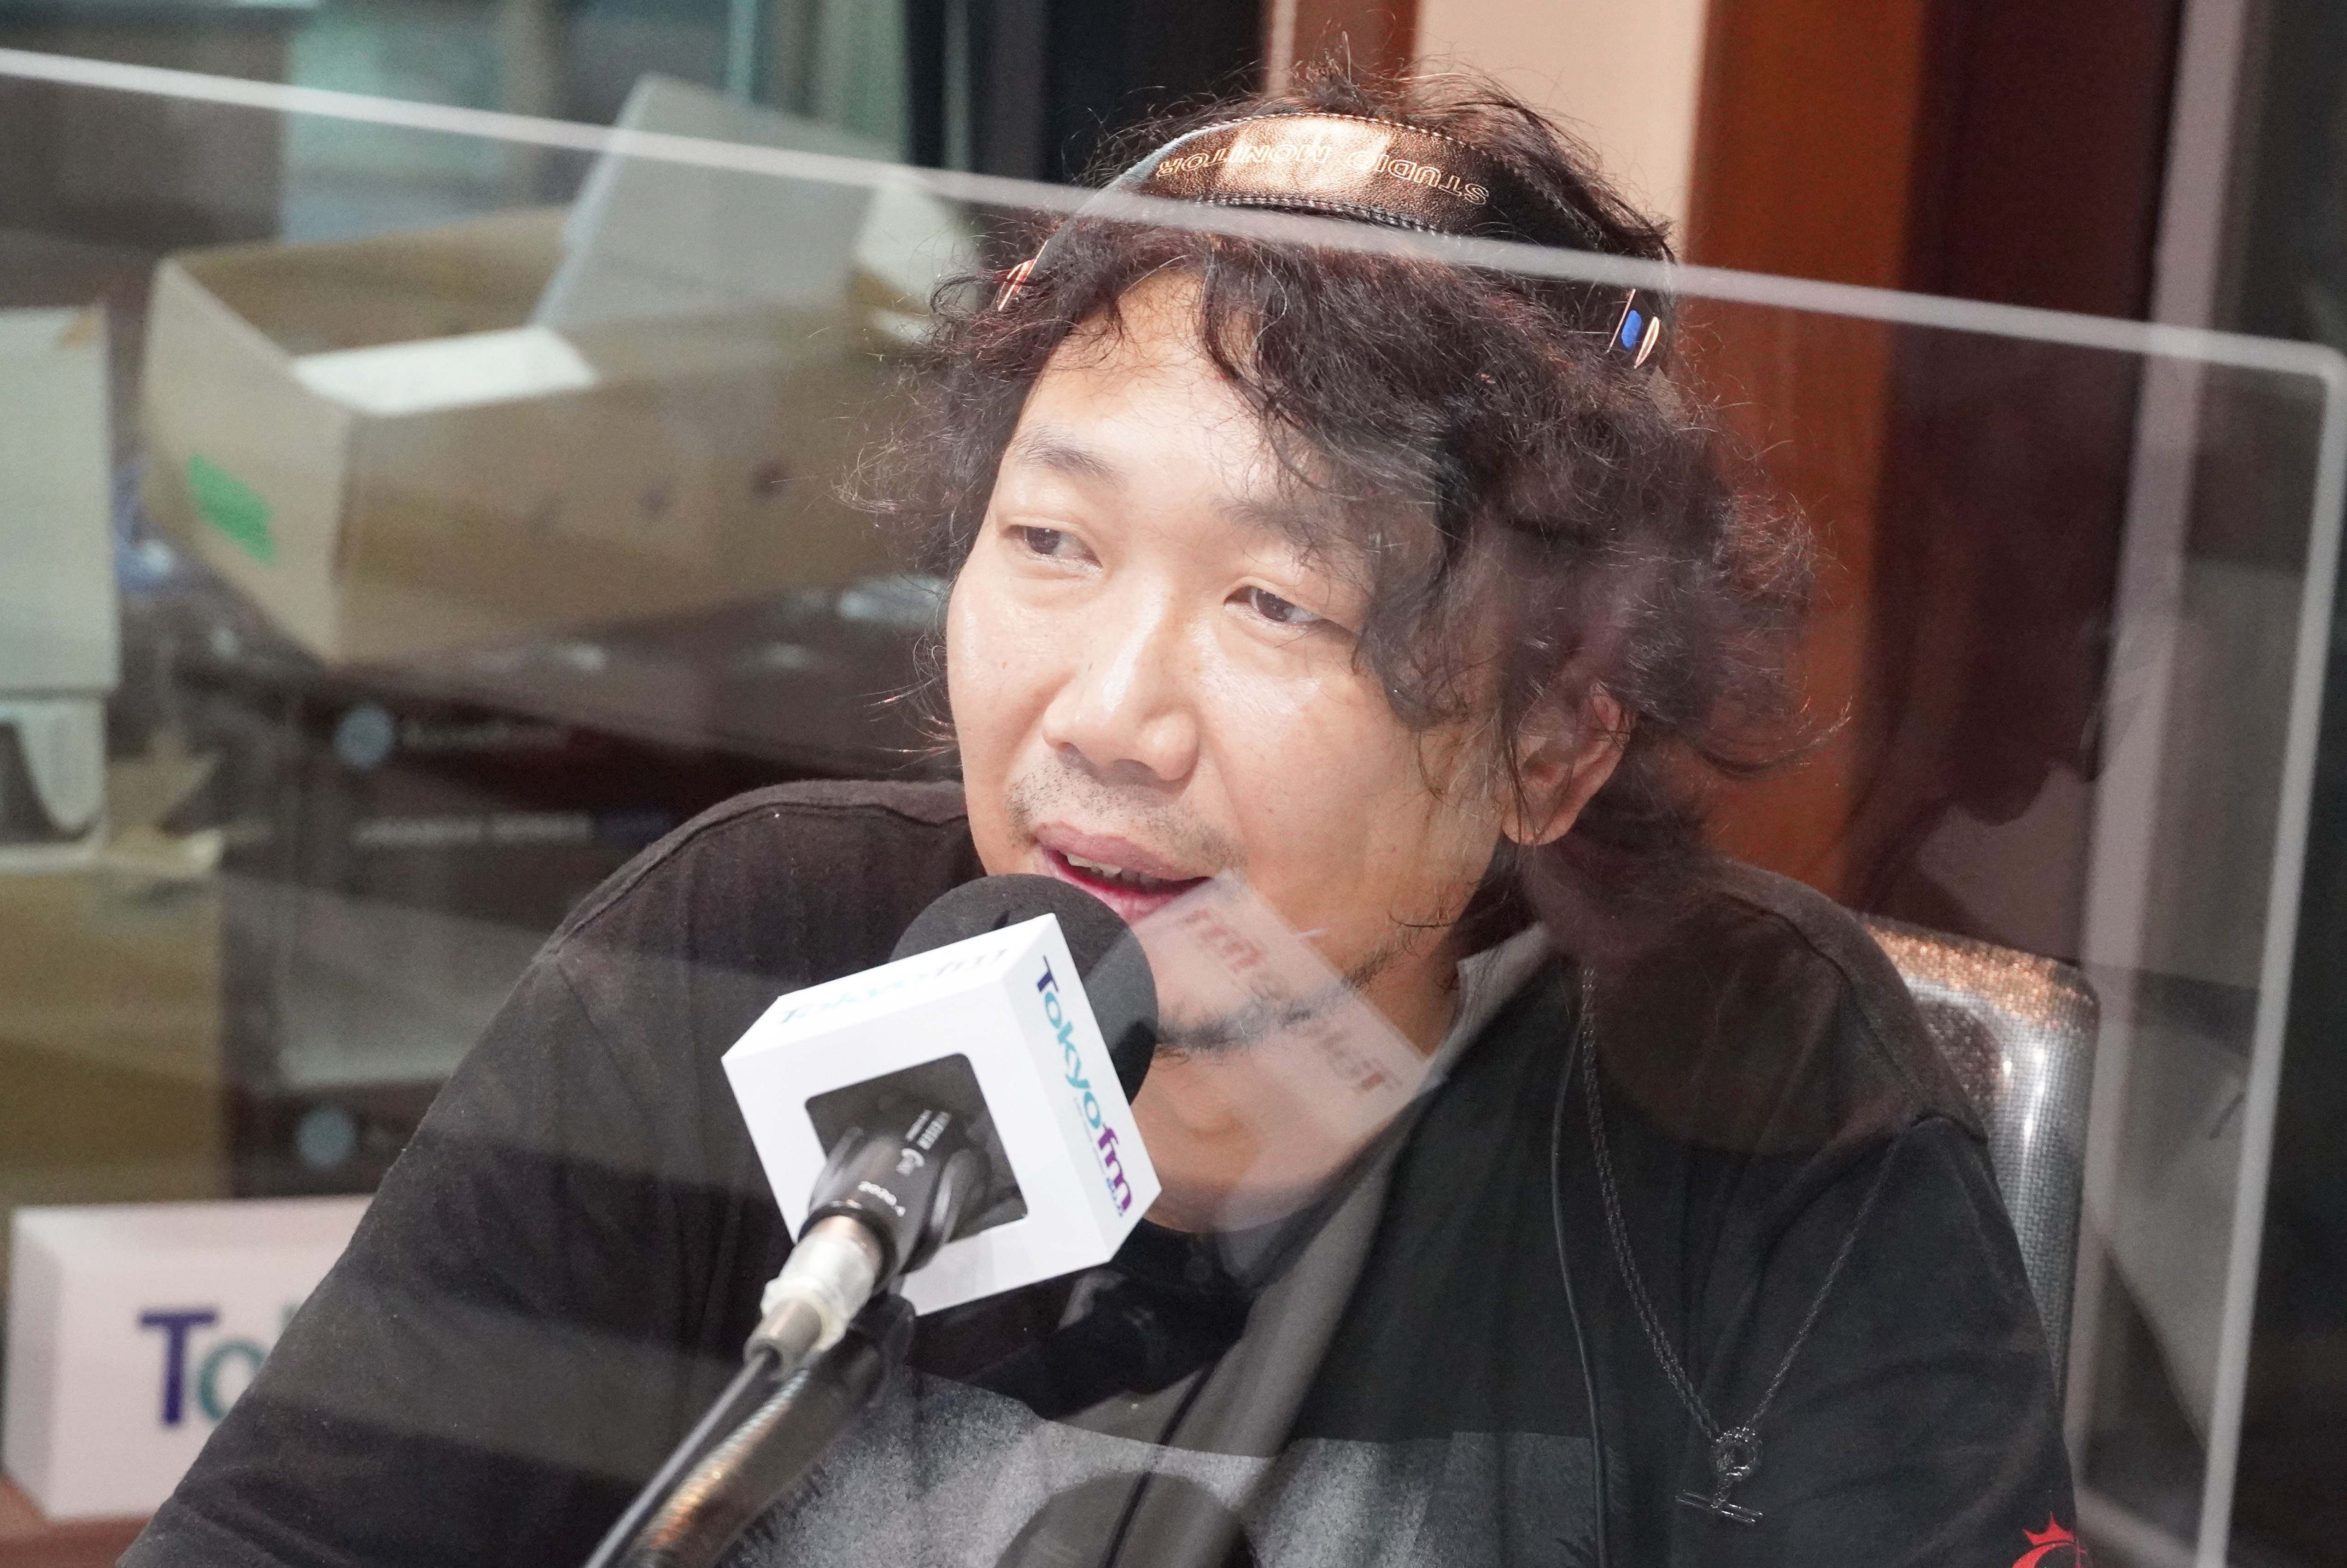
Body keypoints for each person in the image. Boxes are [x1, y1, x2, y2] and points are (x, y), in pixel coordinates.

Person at [126, 66, 2075, 1568]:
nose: (1107, 717)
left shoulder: (1732, 1071)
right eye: (1050, 542)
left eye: (1278, 602)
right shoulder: (742, 950)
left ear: (1552, 742)